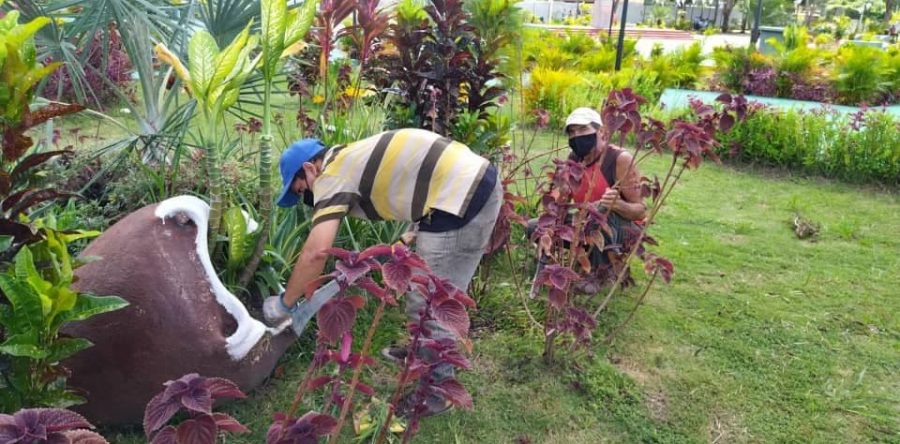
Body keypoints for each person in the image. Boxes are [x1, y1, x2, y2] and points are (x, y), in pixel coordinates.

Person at [263, 128, 502, 416]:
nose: (308, 197)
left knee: (430, 299)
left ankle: (437, 392)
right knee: (424, 286)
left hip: (460, 196)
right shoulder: (348, 156)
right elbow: (412, 177)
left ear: (309, 168)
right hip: (461, 186)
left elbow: (316, 253)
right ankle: (421, 351)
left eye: (303, 190)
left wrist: (285, 305)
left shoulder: (330, 175)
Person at [529, 107, 647, 279]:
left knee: (598, 215)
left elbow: (641, 210)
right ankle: (552, 262)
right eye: (572, 132)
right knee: (535, 227)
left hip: (623, 227)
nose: (577, 136)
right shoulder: (574, 160)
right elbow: (559, 205)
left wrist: (617, 204)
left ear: (601, 132)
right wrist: (548, 229)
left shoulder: (619, 159)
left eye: (583, 129)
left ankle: (599, 274)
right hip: (588, 220)